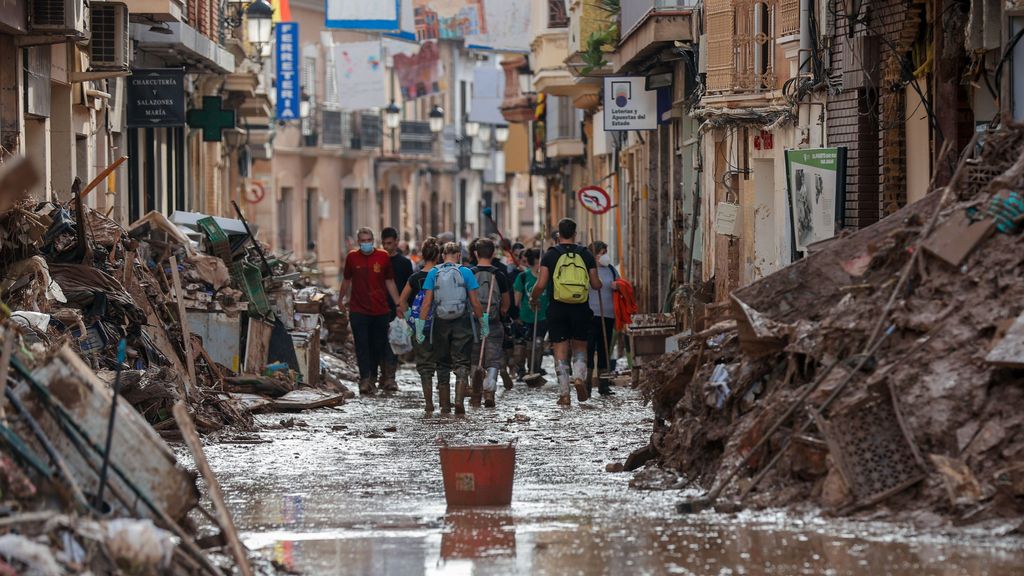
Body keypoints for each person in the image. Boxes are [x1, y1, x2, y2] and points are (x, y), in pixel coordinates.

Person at [529, 218, 601, 406]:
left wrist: (533, 298)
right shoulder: (586, 254)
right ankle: (578, 377)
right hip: (580, 306)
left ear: (558, 235)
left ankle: (564, 394)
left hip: (558, 307)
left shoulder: (550, 255)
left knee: (560, 350)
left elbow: (541, 284)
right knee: (580, 347)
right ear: (575, 233)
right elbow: (595, 284)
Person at [416, 242, 484, 415]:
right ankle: (459, 401)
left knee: (442, 362)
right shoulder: (466, 272)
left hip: (440, 322)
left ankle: (445, 406)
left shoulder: (433, 273)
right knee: (462, 361)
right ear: (459, 255)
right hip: (462, 321)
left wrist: (420, 327)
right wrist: (484, 323)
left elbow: (427, 303)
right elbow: (475, 302)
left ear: (442, 255)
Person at [340, 227, 402, 396]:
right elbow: (346, 280)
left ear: (373, 241)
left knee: (377, 345)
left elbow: (389, 281)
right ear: (358, 242)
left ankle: (374, 377)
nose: (366, 243)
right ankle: (365, 379)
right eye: (363, 240)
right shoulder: (352, 257)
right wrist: (340, 300)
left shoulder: (382, 257)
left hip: (380, 310)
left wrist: (398, 303)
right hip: (358, 309)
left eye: (368, 240)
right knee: (361, 345)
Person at [397, 238, 444, 413]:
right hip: (442, 324)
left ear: (422, 256)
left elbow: (402, 301)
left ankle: (429, 402)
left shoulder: (415, 277)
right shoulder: (442, 275)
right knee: (442, 363)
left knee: (425, 365)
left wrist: (410, 318)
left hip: (420, 327)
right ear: (438, 255)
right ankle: (445, 403)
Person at [470, 238, 511, 408]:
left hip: (473, 323)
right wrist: (501, 311)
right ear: (493, 253)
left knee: (474, 358)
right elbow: (507, 303)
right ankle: (490, 391)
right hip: (493, 322)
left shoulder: (469, 273)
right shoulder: (499, 274)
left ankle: (475, 392)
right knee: (493, 358)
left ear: (475, 253)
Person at [379, 227, 413, 392]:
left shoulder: (404, 263)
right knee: (379, 342)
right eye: (384, 243)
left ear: (396, 242)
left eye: (390, 243)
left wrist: (406, 307)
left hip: (396, 309)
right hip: (378, 307)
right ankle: (382, 375)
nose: (387, 247)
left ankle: (390, 378)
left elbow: (410, 285)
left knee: (393, 342)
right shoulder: (378, 261)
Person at [587, 241, 618, 396]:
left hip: (608, 315)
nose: (605, 255)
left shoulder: (611, 269)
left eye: (606, 252)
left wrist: (617, 286)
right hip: (591, 315)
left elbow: (620, 284)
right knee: (589, 347)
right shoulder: (587, 269)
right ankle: (586, 383)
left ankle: (603, 384)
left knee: (605, 349)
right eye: (602, 252)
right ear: (594, 254)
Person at [513, 248, 547, 377]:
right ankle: (521, 370)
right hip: (526, 316)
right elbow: (517, 300)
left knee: (538, 344)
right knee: (526, 345)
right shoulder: (523, 277)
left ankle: (535, 370)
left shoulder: (547, 278)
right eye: (540, 262)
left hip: (543, 316)